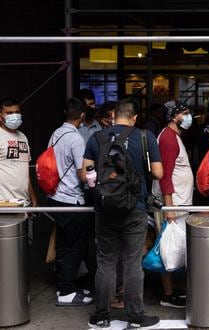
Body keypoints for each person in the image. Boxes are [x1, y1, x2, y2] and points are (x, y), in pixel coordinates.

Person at [83, 98, 163, 329]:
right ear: (135, 117)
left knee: (106, 262)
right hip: (135, 209)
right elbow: (158, 173)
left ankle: (101, 316)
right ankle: (135, 318)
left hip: (104, 209)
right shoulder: (145, 137)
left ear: (113, 115)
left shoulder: (96, 138)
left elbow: (84, 174)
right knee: (132, 263)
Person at [46, 98, 93, 306]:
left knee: (65, 244)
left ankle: (65, 287)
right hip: (71, 198)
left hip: (56, 196)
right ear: (82, 116)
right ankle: (66, 292)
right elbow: (82, 174)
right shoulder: (76, 139)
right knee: (74, 246)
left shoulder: (56, 133)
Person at [155, 100, 195, 308]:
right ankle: (168, 294)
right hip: (175, 205)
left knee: (174, 249)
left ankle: (172, 291)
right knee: (169, 249)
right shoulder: (169, 139)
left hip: (179, 203)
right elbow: (165, 176)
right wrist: (169, 208)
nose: (189, 117)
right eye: (185, 113)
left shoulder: (173, 137)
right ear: (174, 117)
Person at [0, 97, 38, 207]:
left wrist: (33, 197)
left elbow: (24, 171)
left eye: (17, 112)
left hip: (23, 202)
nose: (15, 115)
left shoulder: (23, 137)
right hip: (0, 203)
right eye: (9, 113)